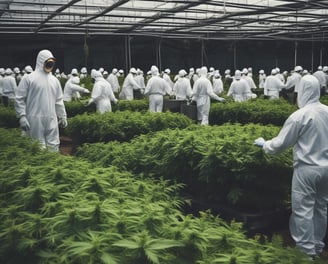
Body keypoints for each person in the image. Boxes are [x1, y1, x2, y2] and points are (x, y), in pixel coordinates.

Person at [254, 74, 328, 260]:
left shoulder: (299, 116)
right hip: (326, 169)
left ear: (301, 91)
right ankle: (318, 247)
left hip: (307, 170)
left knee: (303, 210)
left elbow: (281, 144)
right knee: (321, 208)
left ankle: (305, 253)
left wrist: (265, 145)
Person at [15, 49, 67, 152]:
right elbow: (19, 98)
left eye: (52, 62)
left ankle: (51, 166)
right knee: (37, 146)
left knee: (53, 146)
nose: (50, 64)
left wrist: (62, 116)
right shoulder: (29, 79)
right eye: (48, 61)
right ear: (41, 61)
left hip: (52, 118)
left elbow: (59, 101)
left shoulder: (54, 80)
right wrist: (22, 116)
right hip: (34, 118)